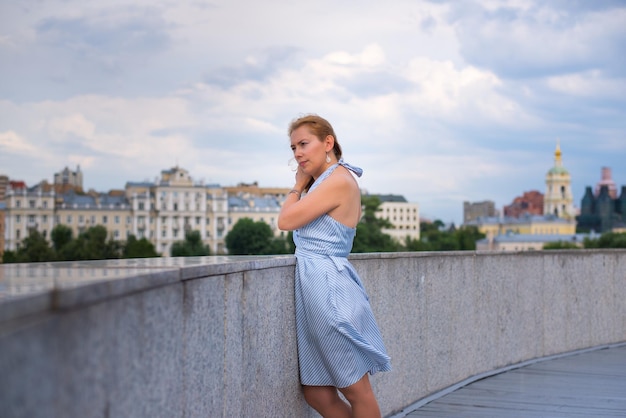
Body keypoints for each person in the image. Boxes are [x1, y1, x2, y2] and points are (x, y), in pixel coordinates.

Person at [278, 114, 392, 418]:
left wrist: (296, 187)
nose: (298, 153)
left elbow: (286, 220)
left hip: (328, 289)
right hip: (314, 288)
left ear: (328, 142)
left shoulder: (339, 180)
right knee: (316, 391)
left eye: (304, 144)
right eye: (293, 148)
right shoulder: (326, 182)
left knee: (357, 389)